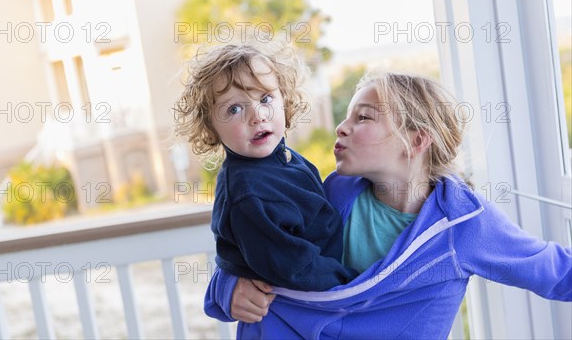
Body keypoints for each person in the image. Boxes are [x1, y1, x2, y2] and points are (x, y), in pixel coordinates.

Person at [204, 72, 572, 339]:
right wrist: (228, 287)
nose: (341, 128)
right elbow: (253, 248)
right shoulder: (335, 192)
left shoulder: (464, 224)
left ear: (415, 140)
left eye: (362, 117)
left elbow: (554, 271)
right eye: (346, 116)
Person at [174, 41, 358, 292]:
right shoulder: (248, 194)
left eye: (265, 98)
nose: (257, 115)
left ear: (285, 99)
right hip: (292, 314)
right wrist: (355, 282)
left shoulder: (282, 157)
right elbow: (296, 268)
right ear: (211, 128)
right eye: (235, 108)